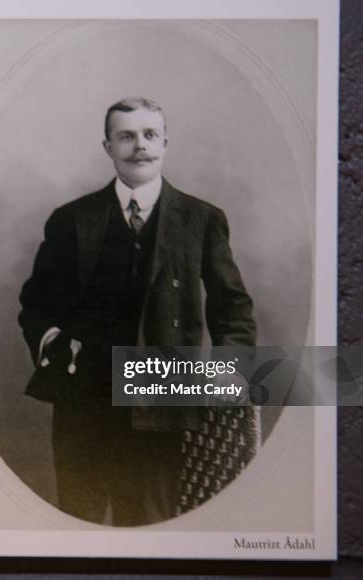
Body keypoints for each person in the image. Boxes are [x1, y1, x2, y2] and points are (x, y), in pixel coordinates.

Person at [18, 97, 256, 526]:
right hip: (82, 403)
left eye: (149, 135)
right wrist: (53, 344)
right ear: (108, 147)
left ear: (166, 142)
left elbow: (232, 306)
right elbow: (36, 303)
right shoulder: (71, 219)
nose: (139, 146)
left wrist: (229, 371)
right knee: (78, 526)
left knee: (150, 527)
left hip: (160, 401)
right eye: (125, 136)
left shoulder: (202, 219)